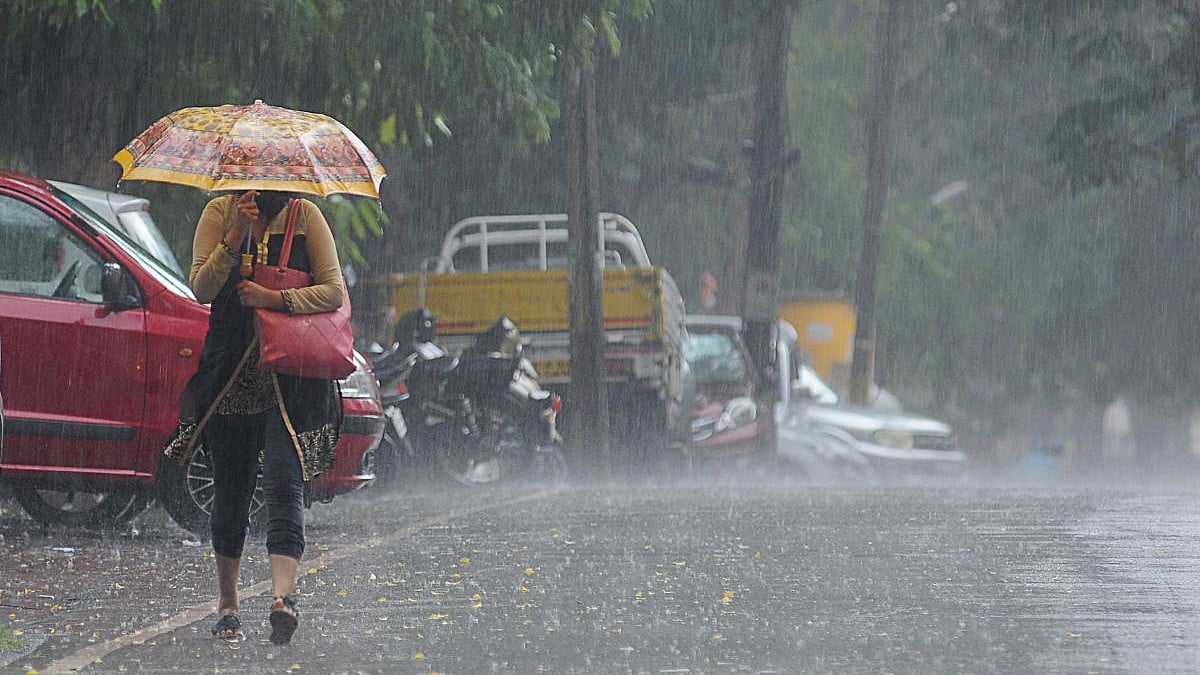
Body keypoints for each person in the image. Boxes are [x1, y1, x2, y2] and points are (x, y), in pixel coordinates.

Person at [164, 189, 344, 644]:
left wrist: (273, 297)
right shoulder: (219, 211)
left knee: (285, 484)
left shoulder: (306, 217)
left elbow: (333, 291)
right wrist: (232, 239)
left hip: (291, 380)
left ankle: (284, 598)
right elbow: (201, 289)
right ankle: (228, 606)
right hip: (230, 376)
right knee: (232, 492)